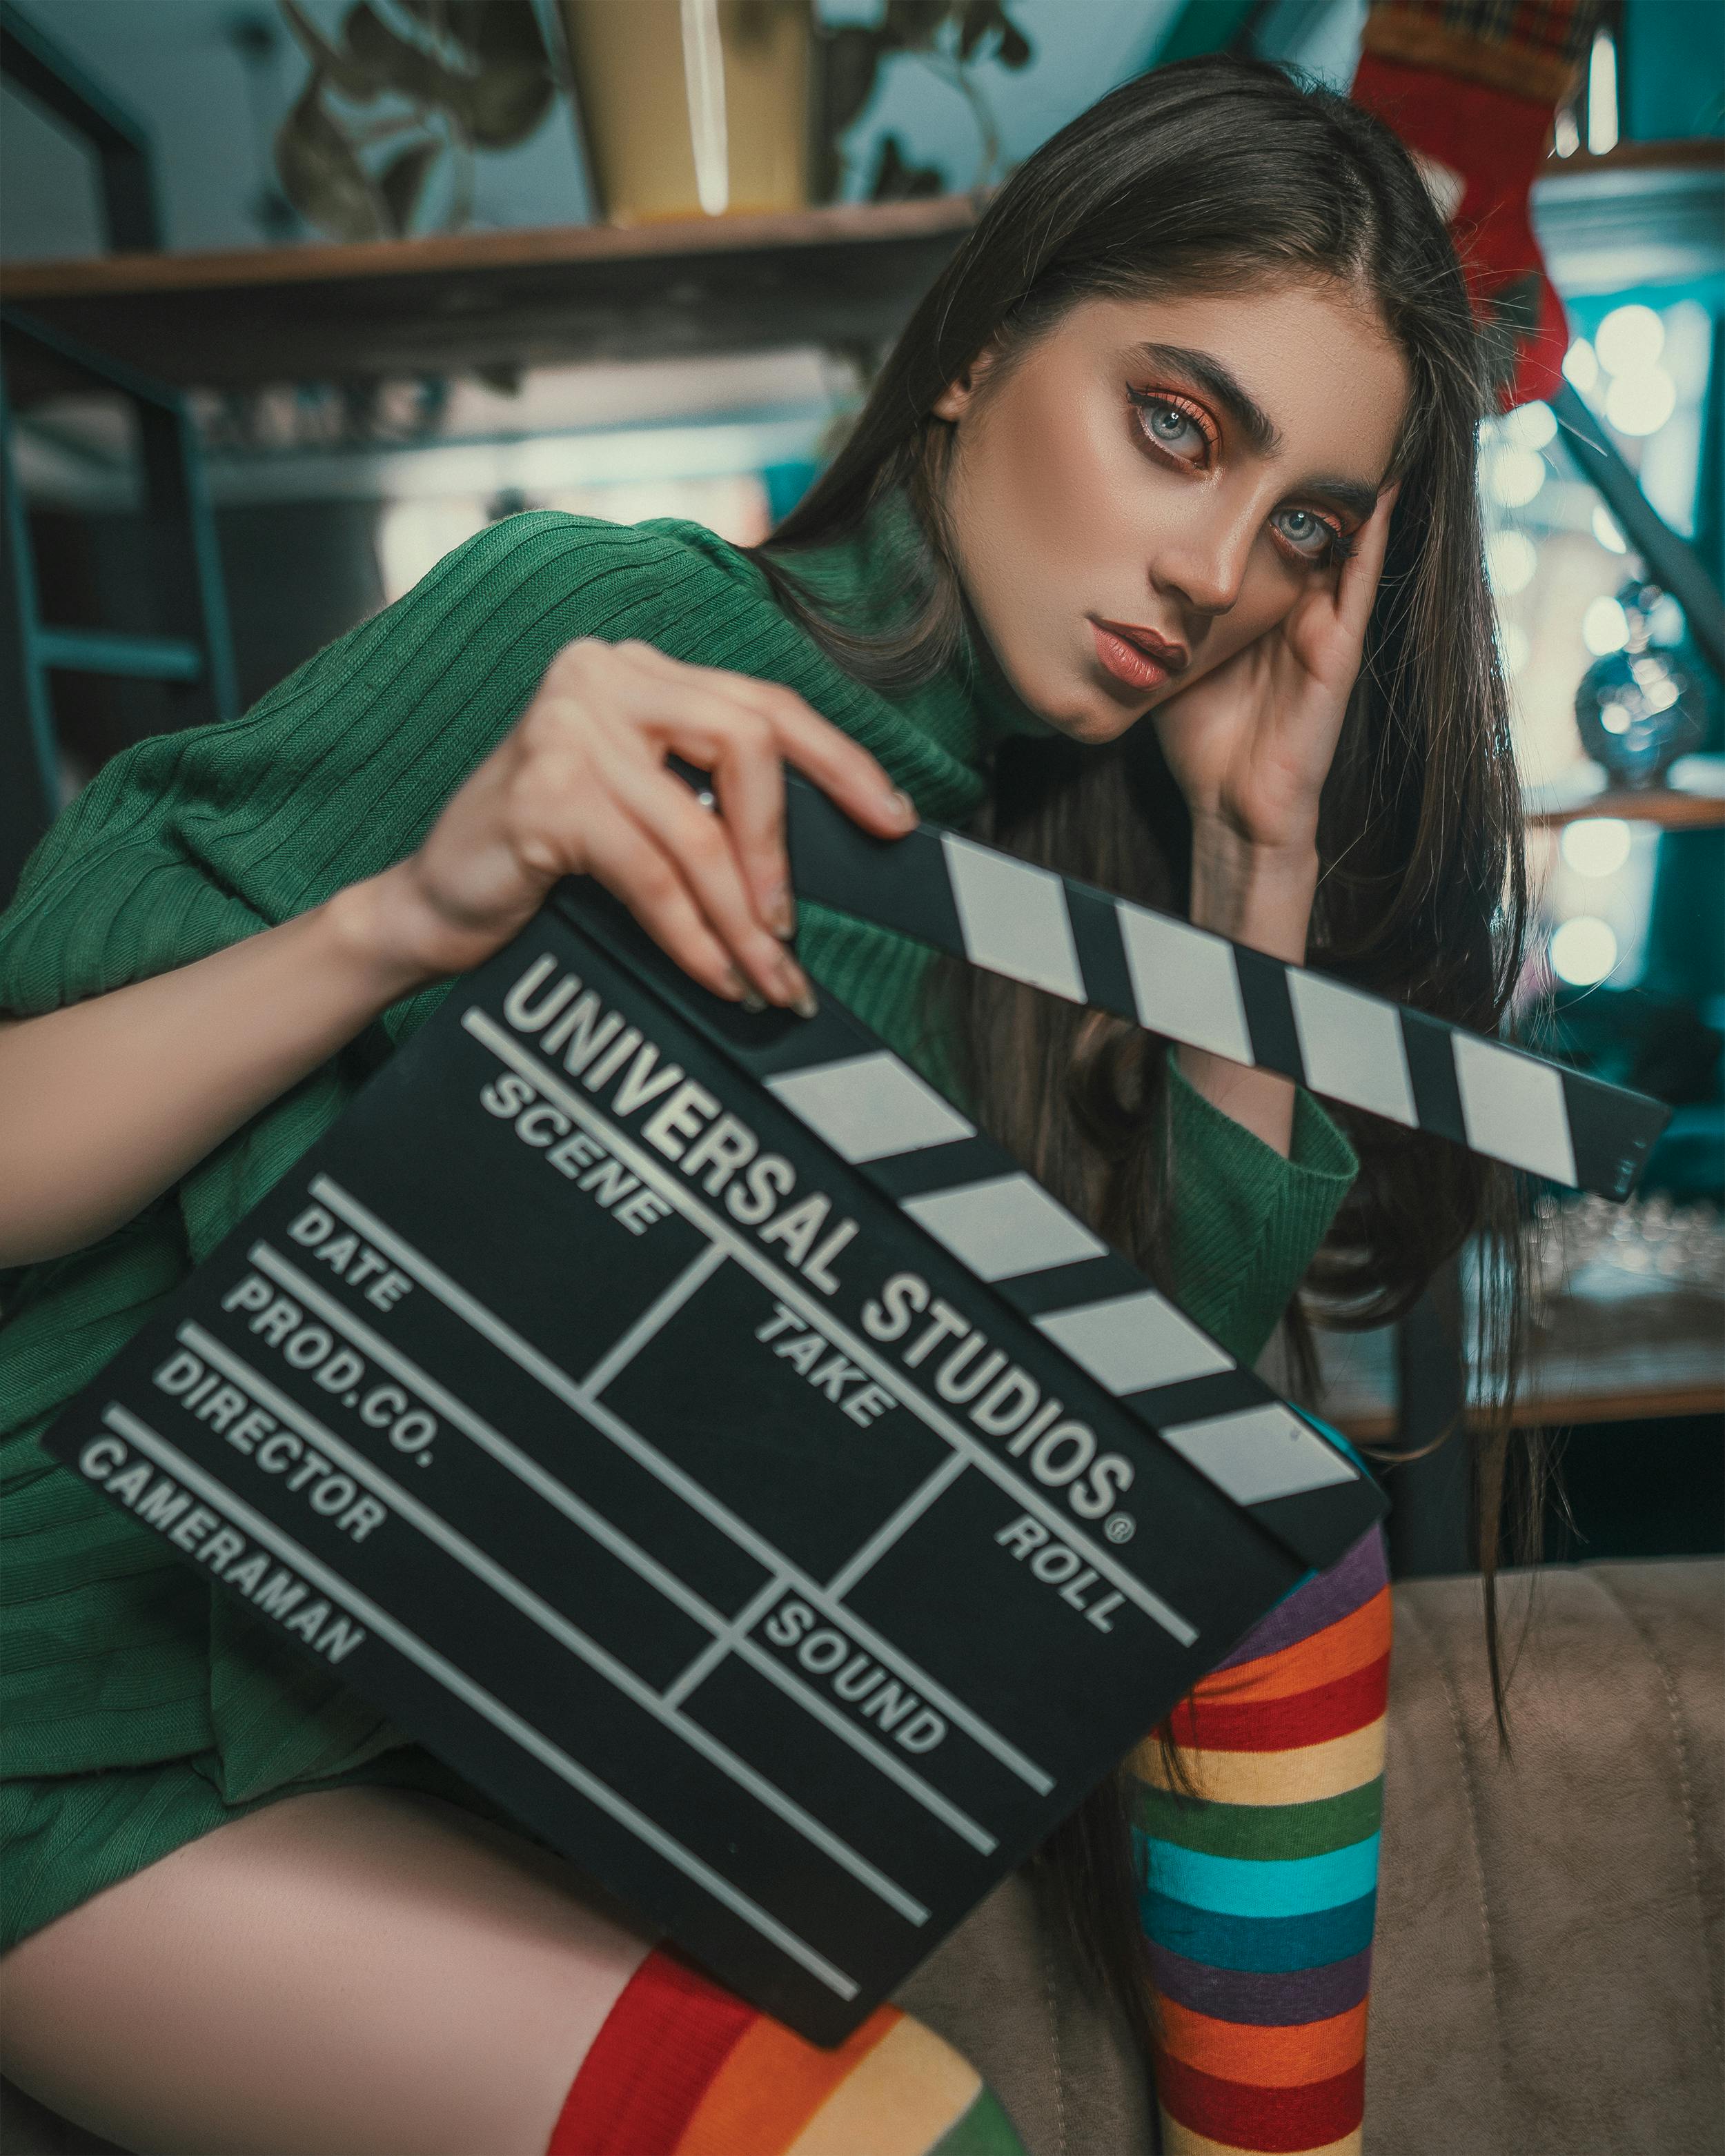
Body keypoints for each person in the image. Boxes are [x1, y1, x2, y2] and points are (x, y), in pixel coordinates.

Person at [0, 54, 1526, 2156]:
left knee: (1286, 1549)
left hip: (427, 1731)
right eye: (1171, 427)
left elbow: (1125, 1520)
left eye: (1300, 530)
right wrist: (403, 919)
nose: (1206, 571)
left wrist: (1251, 875)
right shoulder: (606, 643)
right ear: (984, 353)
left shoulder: (1051, 895)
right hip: (67, 1702)